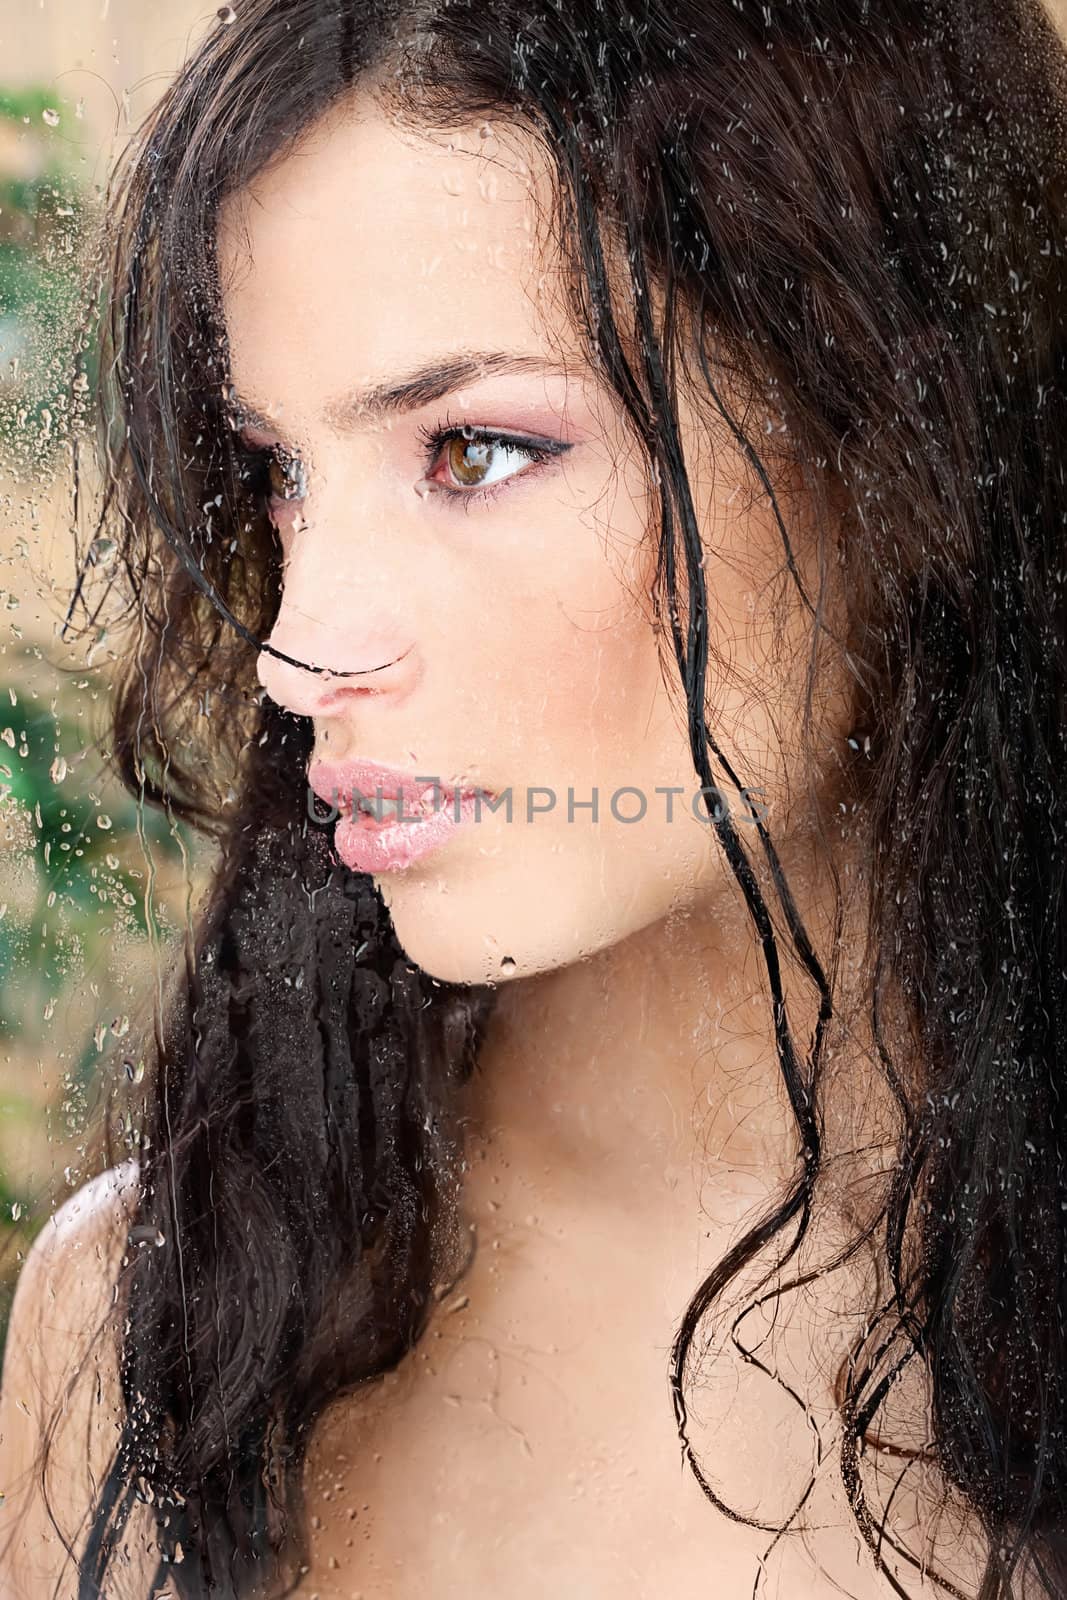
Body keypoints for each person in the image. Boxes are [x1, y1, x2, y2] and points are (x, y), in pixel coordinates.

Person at [2, 0, 1066, 1594]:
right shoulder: (146, 1327)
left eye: (477, 449)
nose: (298, 655)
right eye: (278, 472)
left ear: (896, 441)